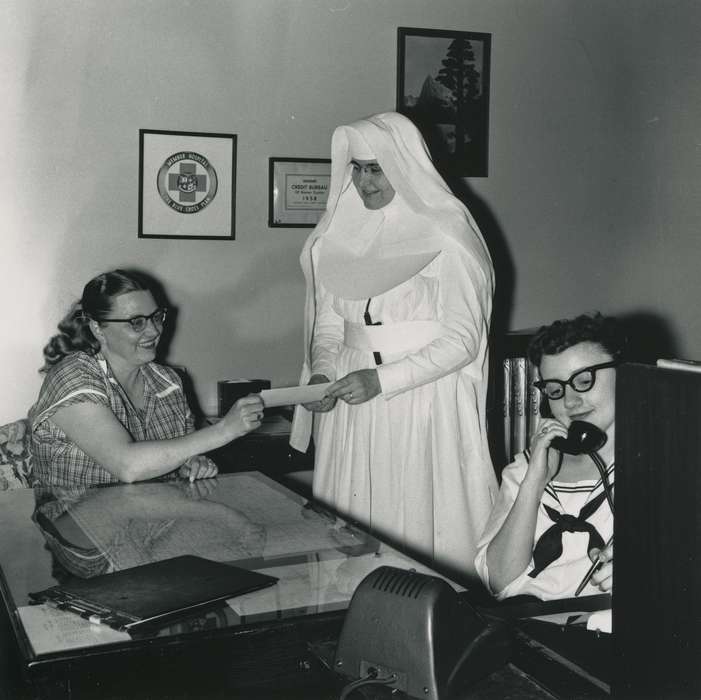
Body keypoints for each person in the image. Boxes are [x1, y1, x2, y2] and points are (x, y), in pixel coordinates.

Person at [290, 111, 497, 580]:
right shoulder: (335, 237)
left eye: (376, 168)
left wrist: (382, 380)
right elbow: (327, 327)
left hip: (419, 399)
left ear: (402, 164)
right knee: (352, 532)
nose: (364, 182)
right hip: (352, 404)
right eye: (356, 169)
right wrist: (323, 374)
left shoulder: (447, 233)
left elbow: (463, 339)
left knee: (416, 523)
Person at [29, 269, 264, 487]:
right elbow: (128, 466)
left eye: (156, 317)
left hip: (151, 519)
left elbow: (179, 453)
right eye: (136, 322)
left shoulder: (168, 382)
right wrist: (225, 430)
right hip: (73, 521)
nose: (153, 331)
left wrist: (190, 465)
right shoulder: (72, 376)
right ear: (98, 329)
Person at [474, 313, 620, 600]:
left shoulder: (660, 466)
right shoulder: (527, 466)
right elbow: (499, 582)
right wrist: (534, 482)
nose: (569, 401)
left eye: (584, 380)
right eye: (555, 389)